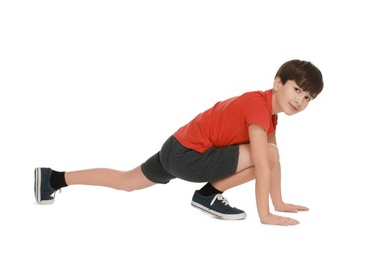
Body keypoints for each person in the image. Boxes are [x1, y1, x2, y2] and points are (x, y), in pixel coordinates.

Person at [34, 59, 323, 226]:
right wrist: (267, 215)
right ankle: (207, 195)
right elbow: (264, 162)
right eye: (297, 89)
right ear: (277, 82)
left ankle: (54, 179)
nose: (300, 100)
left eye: (308, 97)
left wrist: (279, 201)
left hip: (175, 148)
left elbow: (274, 161)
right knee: (267, 155)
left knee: (126, 181)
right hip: (189, 156)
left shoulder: (269, 115)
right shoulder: (257, 107)